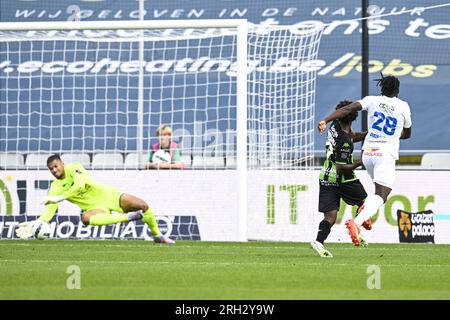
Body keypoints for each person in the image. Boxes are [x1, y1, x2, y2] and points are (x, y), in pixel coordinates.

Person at [318, 73, 412, 246]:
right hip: (385, 155)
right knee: (381, 196)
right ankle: (357, 222)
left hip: (367, 153)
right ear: (397, 91)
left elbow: (347, 110)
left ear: (382, 89)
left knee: (374, 196)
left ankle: (364, 209)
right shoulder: (403, 106)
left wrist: (325, 119)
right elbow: (407, 134)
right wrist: (394, 134)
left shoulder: (372, 100)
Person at [16, 154, 175, 244]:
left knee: (143, 205)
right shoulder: (55, 187)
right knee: (85, 219)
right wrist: (38, 222)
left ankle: (157, 235)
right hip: (94, 208)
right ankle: (127, 218)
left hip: (110, 196)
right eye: (51, 169)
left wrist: (60, 198)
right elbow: (49, 212)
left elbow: (79, 185)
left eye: (56, 166)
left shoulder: (75, 167)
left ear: (62, 163)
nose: (55, 170)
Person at [311, 100, 370, 258]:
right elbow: (341, 168)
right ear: (353, 118)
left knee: (330, 216)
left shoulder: (336, 125)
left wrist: (369, 134)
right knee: (366, 202)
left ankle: (318, 242)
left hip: (325, 176)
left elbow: (354, 136)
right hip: (342, 178)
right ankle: (356, 226)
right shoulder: (343, 140)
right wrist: (360, 162)